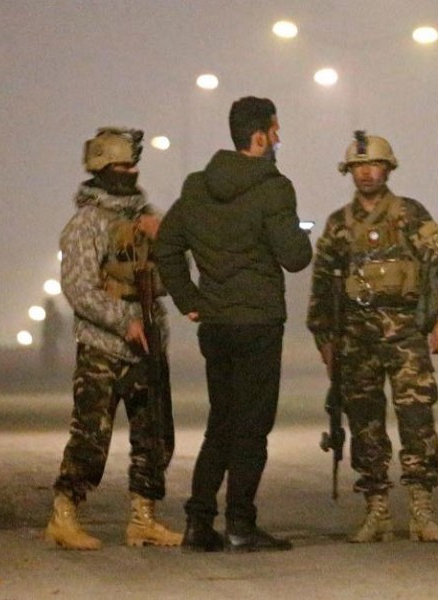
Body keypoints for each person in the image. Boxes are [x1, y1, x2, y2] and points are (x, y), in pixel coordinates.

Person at [155, 96, 312, 553]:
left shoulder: (196, 187)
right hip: (258, 322)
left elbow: (166, 247)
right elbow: (296, 258)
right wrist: (299, 230)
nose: (279, 138)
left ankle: (199, 522)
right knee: (253, 426)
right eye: (275, 130)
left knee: (221, 422)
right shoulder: (274, 187)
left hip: (217, 323)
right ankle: (241, 523)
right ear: (259, 136)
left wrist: (189, 299)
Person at [307, 131, 438, 543]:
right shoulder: (339, 224)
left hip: (405, 333)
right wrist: (324, 336)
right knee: (364, 423)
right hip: (356, 339)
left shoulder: (410, 214)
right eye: (358, 168)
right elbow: (322, 283)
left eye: (373, 165)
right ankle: (376, 510)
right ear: (350, 172)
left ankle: (421, 509)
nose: (366, 174)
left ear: (388, 168)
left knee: (417, 418)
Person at [46, 127, 181, 550]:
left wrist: (163, 240)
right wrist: (125, 320)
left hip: (146, 344)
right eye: (122, 166)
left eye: (132, 165)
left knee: (154, 435)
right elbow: (79, 289)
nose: (131, 172)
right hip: (103, 347)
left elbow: (168, 277)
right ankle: (64, 514)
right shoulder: (86, 224)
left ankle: (143, 516)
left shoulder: (146, 217)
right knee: (91, 435)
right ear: (102, 169)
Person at [41, 298, 66, 371]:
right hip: (48, 339)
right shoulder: (48, 316)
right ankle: (48, 367)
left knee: (52, 353)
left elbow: (59, 326)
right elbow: (45, 328)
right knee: (47, 354)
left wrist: (56, 334)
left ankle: (53, 368)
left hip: (53, 339)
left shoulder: (55, 315)